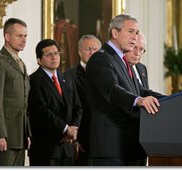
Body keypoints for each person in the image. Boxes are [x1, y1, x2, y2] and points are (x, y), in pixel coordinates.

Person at [85, 14, 165, 166]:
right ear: (115, 33)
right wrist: (138, 101)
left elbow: (140, 90)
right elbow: (111, 90)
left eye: (136, 32)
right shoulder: (101, 58)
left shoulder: (121, 60)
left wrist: (170, 99)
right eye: (130, 31)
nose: (135, 37)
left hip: (128, 146)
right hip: (110, 146)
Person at [28, 39, 82, 166]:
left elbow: (78, 107)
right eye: (49, 54)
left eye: (56, 53)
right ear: (39, 60)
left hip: (67, 146)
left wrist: (73, 129)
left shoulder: (67, 78)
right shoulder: (33, 80)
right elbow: (41, 111)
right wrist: (65, 129)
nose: (54, 57)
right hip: (46, 148)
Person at [0, 18, 31, 166]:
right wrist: (0, 134)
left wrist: (27, 132)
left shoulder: (21, 64)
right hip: (5, 136)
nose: (24, 40)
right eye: (19, 36)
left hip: (20, 136)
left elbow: (24, 103)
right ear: (7, 37)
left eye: (25, 36)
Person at [65, 34, 101, 165]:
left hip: (102, 138)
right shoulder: (69, 75)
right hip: (81, 139)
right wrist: (75, 138)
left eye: (95, 49)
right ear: (79, 51)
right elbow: (69, 109)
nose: (92, 52)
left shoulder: (106, 74)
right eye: (87, 49)